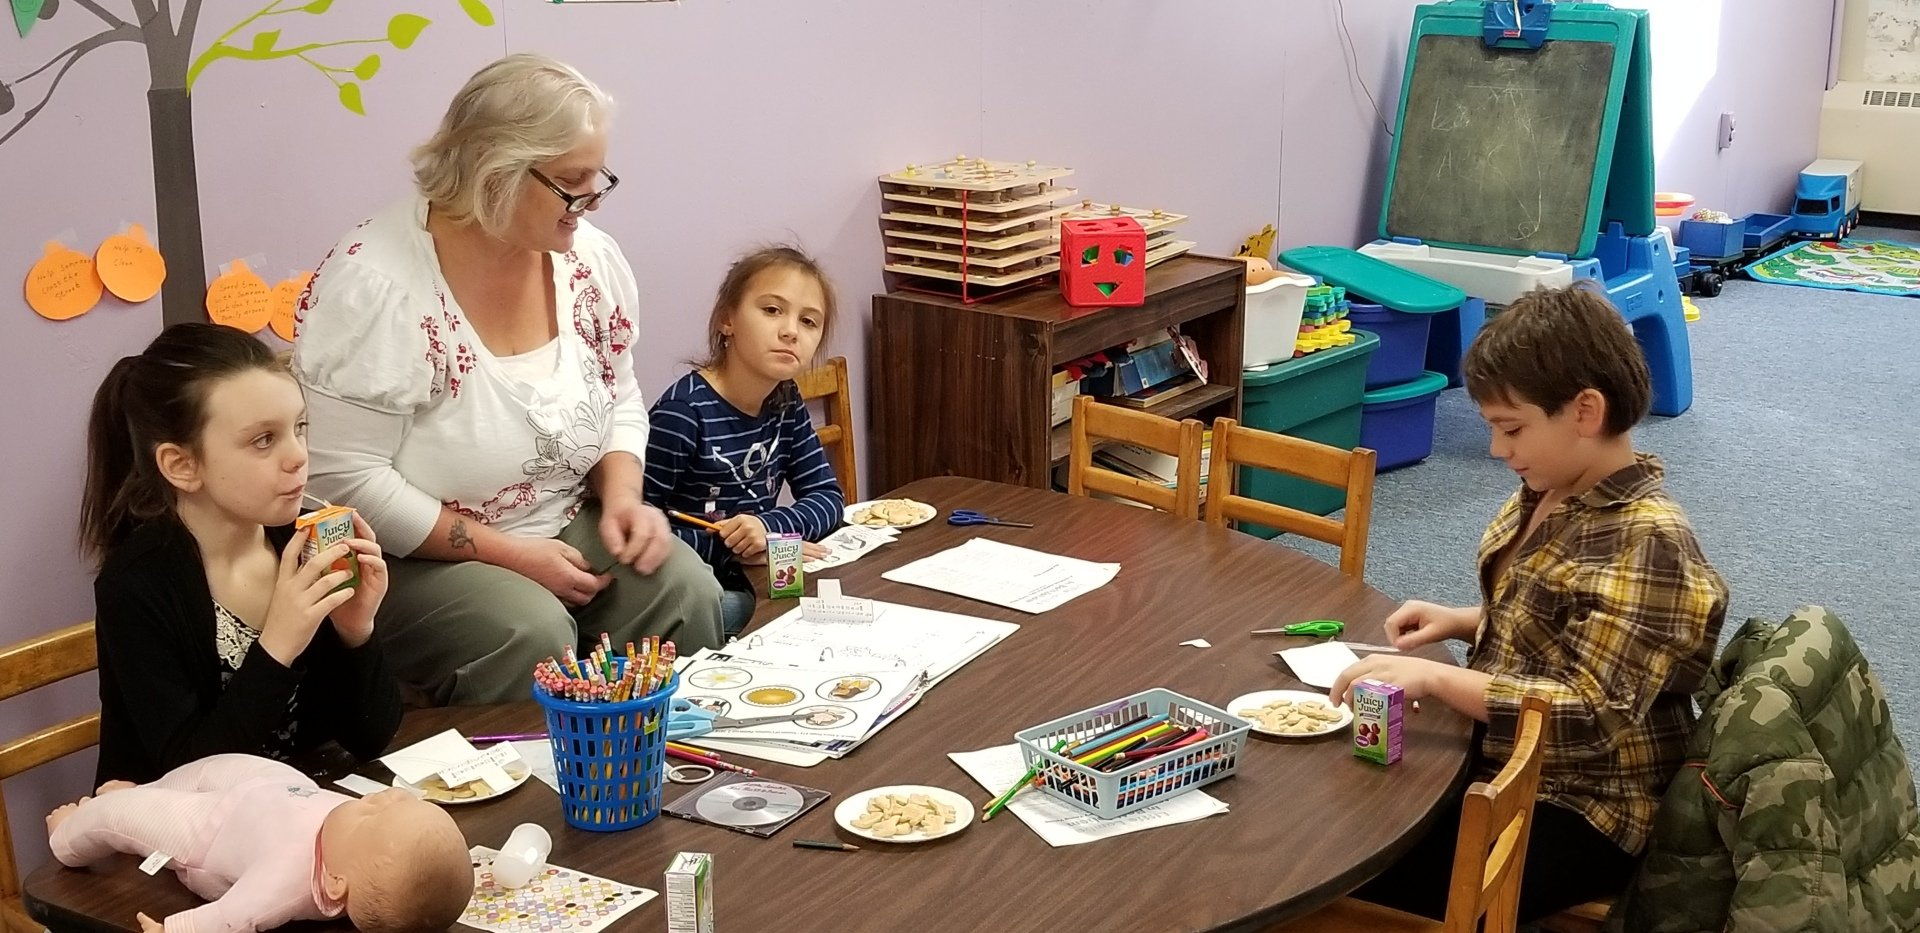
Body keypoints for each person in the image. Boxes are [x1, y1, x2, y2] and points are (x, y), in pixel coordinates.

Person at [292, 53, 724, 705]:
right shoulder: (380, 288)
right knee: (528, 628)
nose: (594, 199)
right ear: (495, 171)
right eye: (574, 181)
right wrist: (510, 554)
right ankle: (527, 802)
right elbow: (341, 479)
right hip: (401, 559)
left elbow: (619, 393)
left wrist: (626, 496)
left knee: (684, 588)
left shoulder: (588, 259)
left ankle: (662, 774)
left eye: (600, 175)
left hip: (559, 520)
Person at [1326, 284, 1729, 922]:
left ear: (1586, 411)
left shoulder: (1651, 542)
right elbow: (1560, 619)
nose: (1496, 449)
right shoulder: (1553, 484)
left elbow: (1594, 715)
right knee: (1348, 806)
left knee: (1359, 866)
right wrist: (1463, 620)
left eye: (1510, 429)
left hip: (1588, 803)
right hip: (1506, 752)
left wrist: (1439, 676)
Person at [81, 323, 401, 785]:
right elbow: (190, 775)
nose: (298, 457)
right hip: (176, 837)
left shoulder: (300, 542)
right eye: (263, 440)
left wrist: (355, 632)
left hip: (299, 809)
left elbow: (369, 738)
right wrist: (278, 645)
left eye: (299, 428)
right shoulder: (137, 583)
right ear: (182, 465)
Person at [643, 247, 844, 635]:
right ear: (727, 320)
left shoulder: (785, 399)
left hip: (761, 575)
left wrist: (767, 529)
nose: (790, 331)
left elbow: (827, 498)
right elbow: (637, 531)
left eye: (808, 322)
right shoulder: (683, 412)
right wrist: (735, 548)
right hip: (699, 593)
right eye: (771, 310)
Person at [46, 754, 470, 933]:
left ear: (335, 883)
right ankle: (141, 790)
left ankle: (68, 833)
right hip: (275, 790)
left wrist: (177, 928)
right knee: (190, 775)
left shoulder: (286, 883)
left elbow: (234, 918)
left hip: (209, 832)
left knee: (125, 819)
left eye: (371, 813)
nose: (378, 798)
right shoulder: (350, 850)